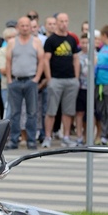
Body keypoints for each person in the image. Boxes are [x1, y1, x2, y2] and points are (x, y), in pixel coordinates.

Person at [4, 16, 44, 150]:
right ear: (18, 27)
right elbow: (8, 62)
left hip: (31, 81)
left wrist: (37, 78)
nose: (25, 28)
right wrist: (9, 79)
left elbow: (42, 61)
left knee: (32, 112)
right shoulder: (12, 43)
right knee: (15, 113)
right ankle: (14, 140)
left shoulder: (36, 42)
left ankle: (31, 140)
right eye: (22, 25)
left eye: (27, 25)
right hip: (15, 81)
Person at [41, 12, 80, 147]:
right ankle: (47, 137)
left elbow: (76, 59)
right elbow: (46, 60)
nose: (64, 24)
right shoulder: (51, 40)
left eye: (66, 21)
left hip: (70, 80)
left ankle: (66, 137)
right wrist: (49, 79)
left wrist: (76, 77)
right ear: (57, 23)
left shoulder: (72, 39)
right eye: (61, 21)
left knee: (68, 111)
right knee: (51, 110)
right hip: (56, 79)